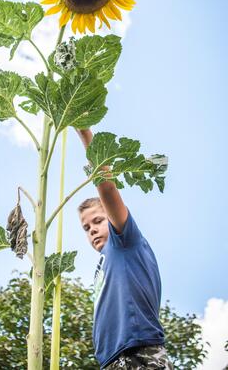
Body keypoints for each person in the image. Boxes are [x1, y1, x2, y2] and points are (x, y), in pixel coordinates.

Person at [75, 127, 173, 370]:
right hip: (110, 361)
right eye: (86, 228)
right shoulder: (103, 262)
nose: (92, 230)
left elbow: (107, 189)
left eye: (98, 221)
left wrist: (84, 132)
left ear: (111, 216)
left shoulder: (124, 240)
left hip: (139, 352)